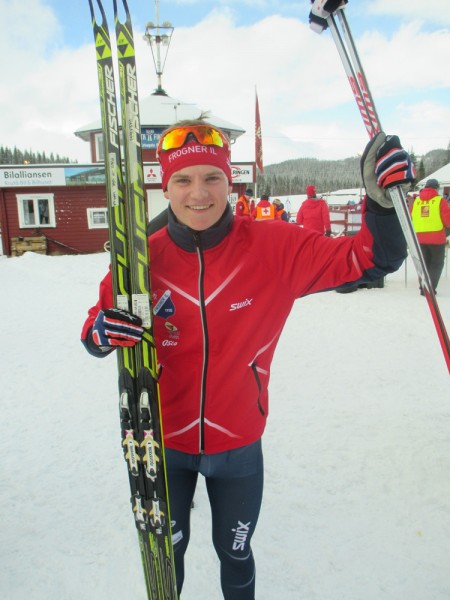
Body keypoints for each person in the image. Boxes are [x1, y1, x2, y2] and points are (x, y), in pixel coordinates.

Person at [81, 121, 411, 600]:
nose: (199, 193)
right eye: (183, 180)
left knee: (234, 552)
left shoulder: (275, 247)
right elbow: (95, 331)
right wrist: (100, 331)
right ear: (165, 186)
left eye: (212, 178)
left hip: (238, 447)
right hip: (162, 445)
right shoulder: (140, 261)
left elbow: (369, 259)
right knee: (165, 556)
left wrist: (382, 205)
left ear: (228, 181)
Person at [410, 178, 450, 294]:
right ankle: (429, 289)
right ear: (436, 188)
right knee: (436, 263)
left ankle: (423, 285)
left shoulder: (416, 201)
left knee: (424, 262)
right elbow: (448, 221)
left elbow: (411, 217)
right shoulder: (440, 201)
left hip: (420, 237)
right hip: (436, 238)